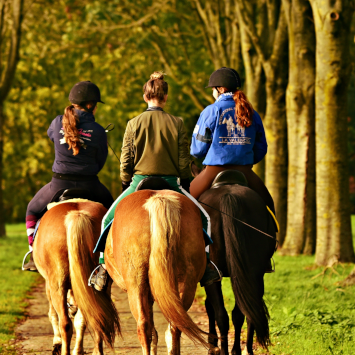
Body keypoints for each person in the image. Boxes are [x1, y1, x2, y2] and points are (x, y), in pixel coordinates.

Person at [90, 71, 220, 290]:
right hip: (171, 182)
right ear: (165, 97)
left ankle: (102, 267)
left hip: (139, 181)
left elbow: (126, 158)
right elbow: (183, 159)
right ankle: (206, 264)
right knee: (204, 217)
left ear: (145, 97)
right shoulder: (177, 122)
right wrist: (185, 182)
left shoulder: (133, 123)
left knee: (107, 220)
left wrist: (125, 181)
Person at [22, 80, 114, 271]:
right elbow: (101, 162)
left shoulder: (57, 122)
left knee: (32, 210)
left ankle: (32, 252)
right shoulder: (98, 131)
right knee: (114, 213)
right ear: (90, 106)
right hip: (91, 185)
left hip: (58, 184)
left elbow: (51, 137)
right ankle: (110, 256)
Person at [189, 67, 275, 213]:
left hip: (213, 171)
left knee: (183, 205)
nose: (212, 92)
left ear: (221, 89)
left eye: (213, 89)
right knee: (270, 208)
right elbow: (261, 148)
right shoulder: (252, 113)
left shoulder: (211, 111)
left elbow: (197, 150)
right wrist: (245, 158)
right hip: (245, 170)